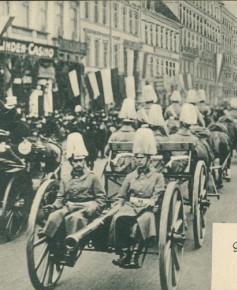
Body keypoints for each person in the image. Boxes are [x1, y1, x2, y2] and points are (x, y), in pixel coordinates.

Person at [42, 132, 107, 265]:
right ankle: (53, 243)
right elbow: (61, 197)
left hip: (86, 209)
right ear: (71, 162)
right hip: (69, 206)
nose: (78, 164)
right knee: (55, 216)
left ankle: (71, 251)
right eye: (75, 161)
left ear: (84, 161)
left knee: (74, 219)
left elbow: (101, 198)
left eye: (80, 160)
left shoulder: (92, 177)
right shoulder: (66, 178)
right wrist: (54, 206)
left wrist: (93, 207)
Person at [108, 128, 165, 268]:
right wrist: (118, 204)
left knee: (141, 222)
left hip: (148, 208)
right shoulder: (130, 176)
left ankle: (135, 256)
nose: (138, 161)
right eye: (137, 158)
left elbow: (158, 194)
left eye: (141, 158)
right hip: (131, 206)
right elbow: (121, 195)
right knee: (119, 218)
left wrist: (152, 202)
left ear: (149, 159)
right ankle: (124, 253)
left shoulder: (158, 176)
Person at [105, 97, 138, 173]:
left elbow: (106, 152)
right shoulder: (137, 135)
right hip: (134, 166)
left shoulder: (115, 135)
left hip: (119, 164)